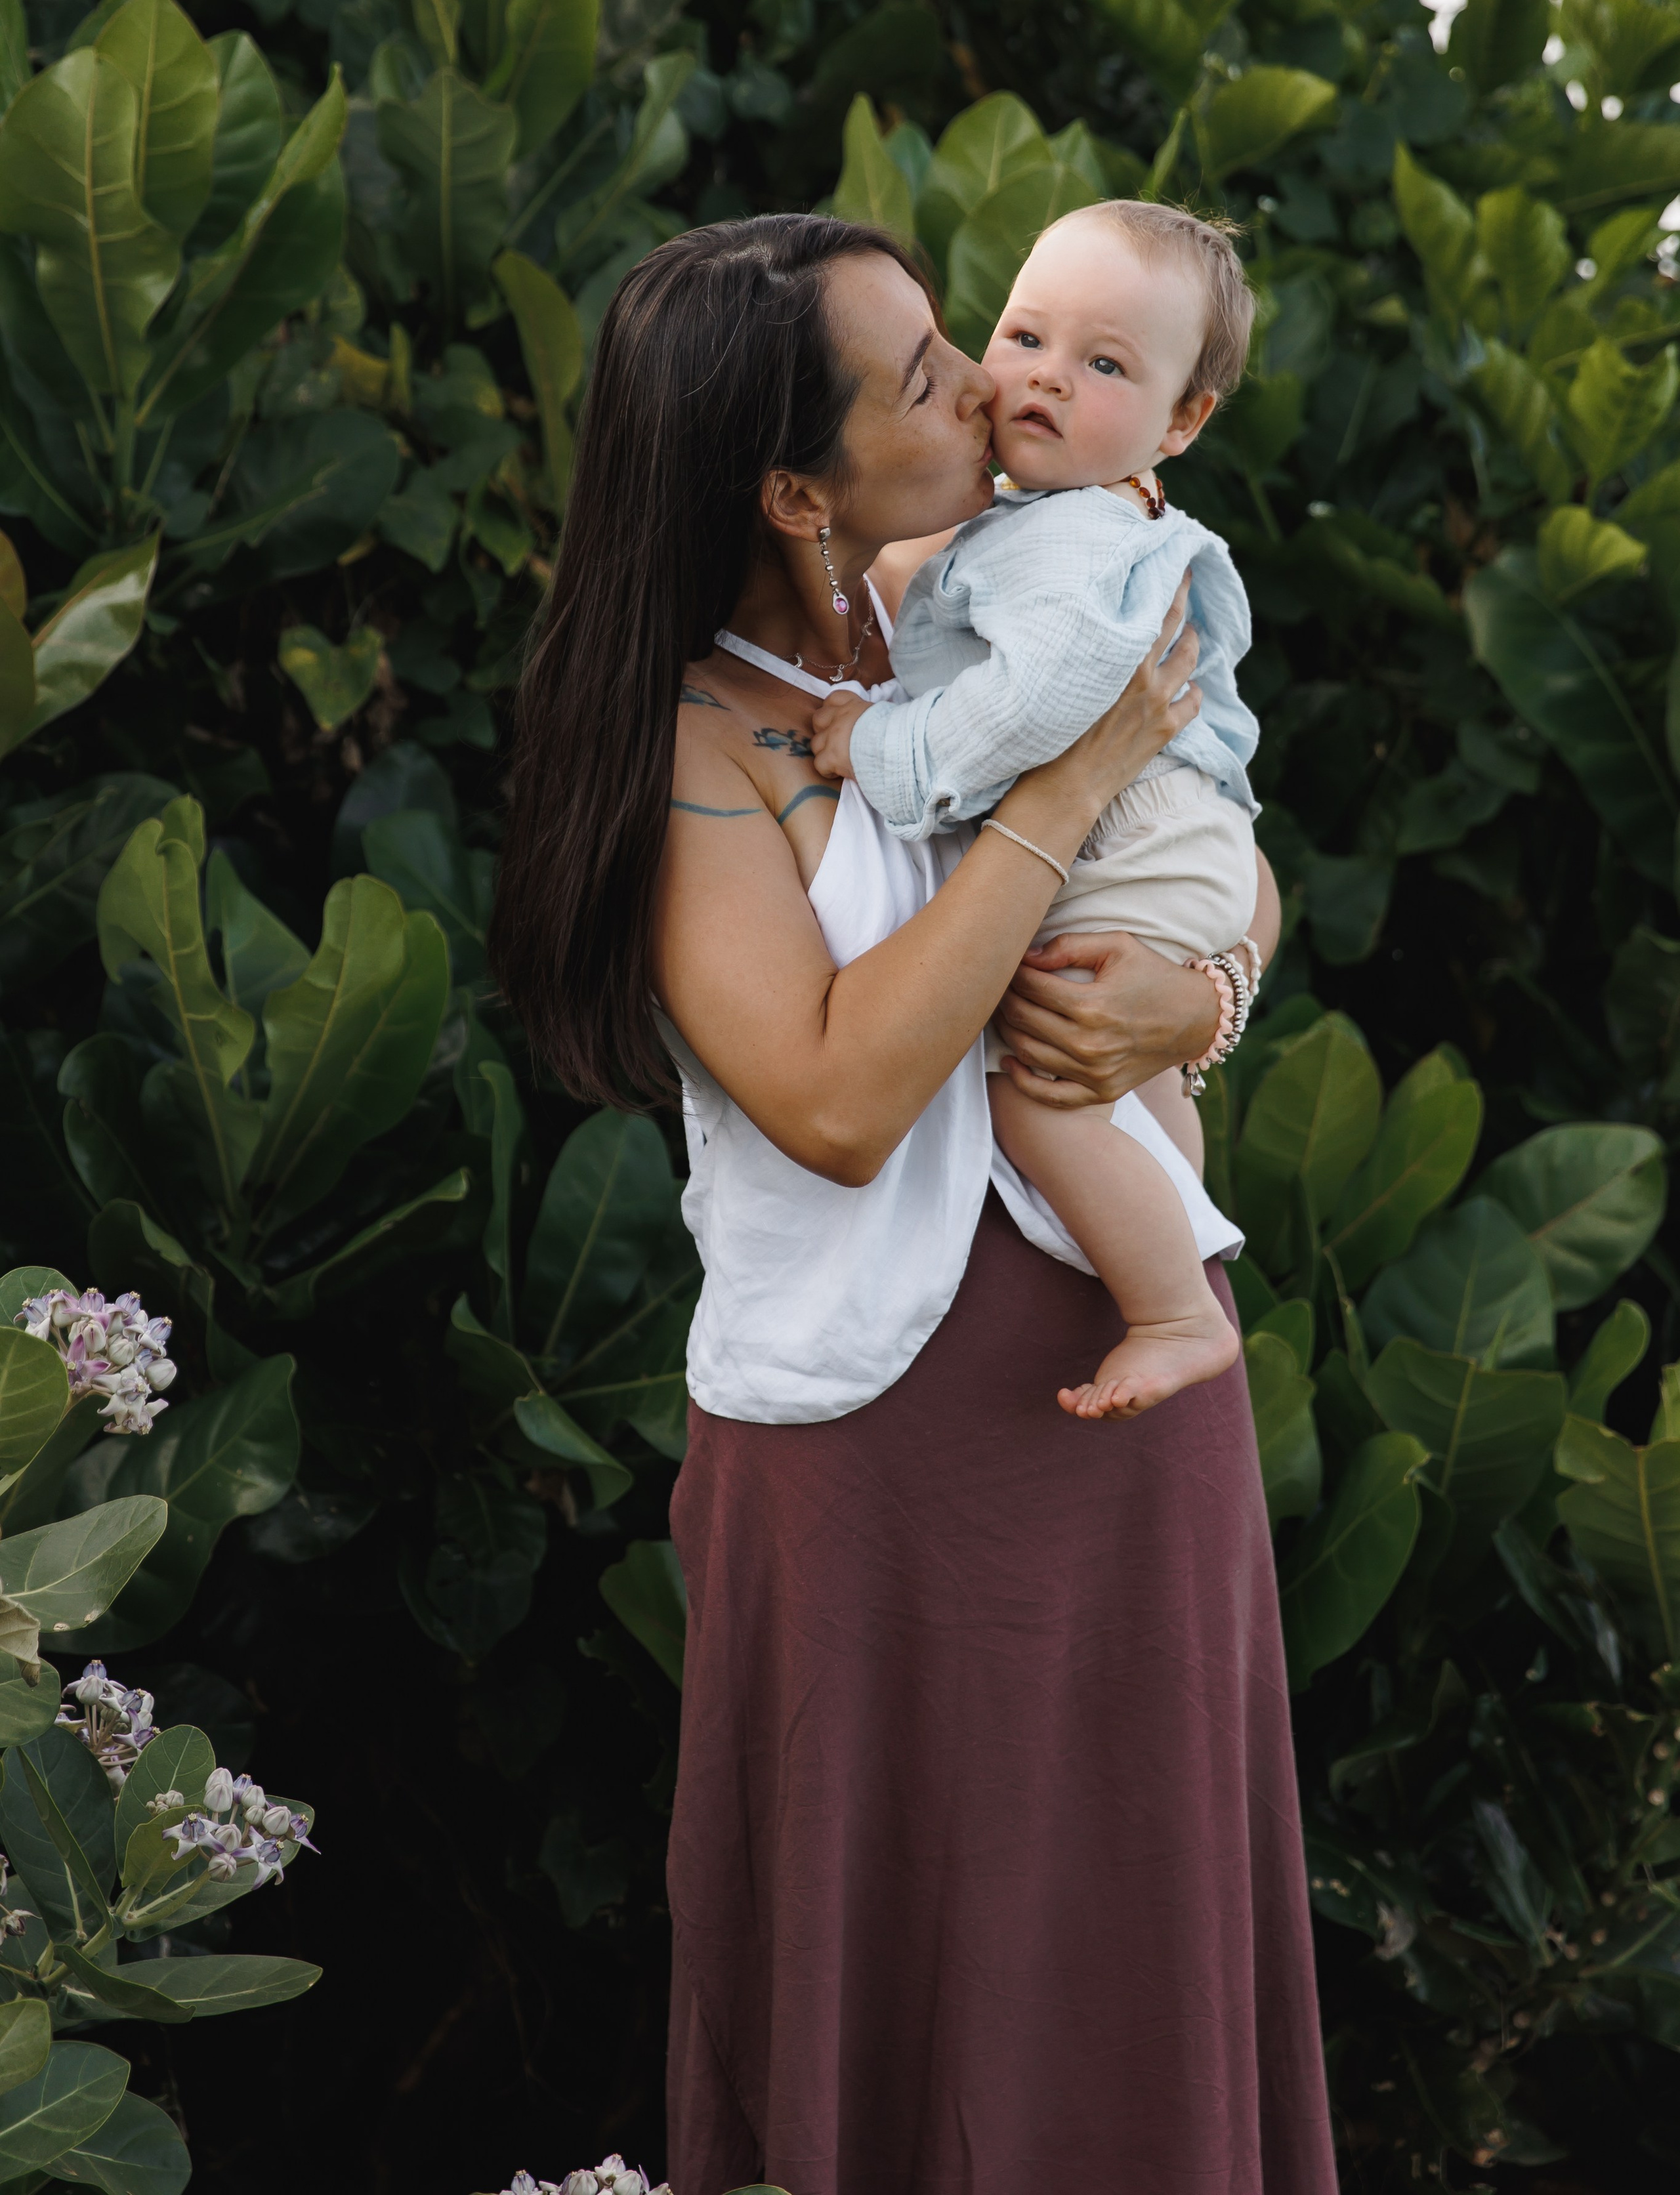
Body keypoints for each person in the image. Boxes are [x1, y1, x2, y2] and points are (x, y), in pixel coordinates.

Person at [490, 214, 1337, 2195]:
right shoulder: (701, 739)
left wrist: (1203, 991)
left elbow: (1220, 842)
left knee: (1141, 1970)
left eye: (965, 336)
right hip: (881, 1448)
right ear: (794, 485)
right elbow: (846, 1095)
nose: (990, 384)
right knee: (916, 2003)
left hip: (1134, 1410)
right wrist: (1057, 798)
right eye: (930, 373)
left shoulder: (986, 585)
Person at [809, 199, 1259, 1423]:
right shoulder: (1040, 531)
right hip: (1165, 841)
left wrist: (879, 746)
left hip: (1140, 841)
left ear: (1180, 422)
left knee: (1036, 1082)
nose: (1043, 379)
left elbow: (1036, 707)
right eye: (1024, 336)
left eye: (1105, 364)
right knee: (1113, 1075)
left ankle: (1173, 1308)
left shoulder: (1064, 538)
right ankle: (1169, 1248)